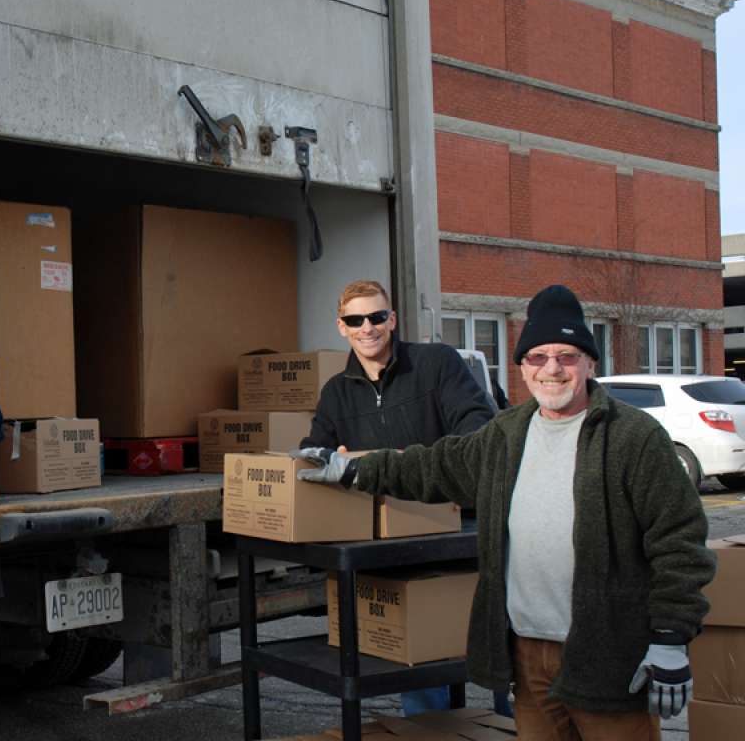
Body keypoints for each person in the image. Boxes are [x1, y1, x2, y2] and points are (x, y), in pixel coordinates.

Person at [298, 284, 715, 740]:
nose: (552, 369)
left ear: (591, 362)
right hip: (527, 657)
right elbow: (431, 466)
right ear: (521, 367)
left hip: (607, 656)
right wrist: (351, 470)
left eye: (567, 355)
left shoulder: (633, 437)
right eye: (538, 356)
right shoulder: (506, 434)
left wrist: (671, 638)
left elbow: (679, 540)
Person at [299, 279, 495, 716]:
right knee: (418, 653)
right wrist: (334, 460)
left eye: (376, 317)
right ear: (341, 327)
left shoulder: (436, 364)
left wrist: (415, 462)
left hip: (464, 527)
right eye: (355, 320)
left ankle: (510, 722)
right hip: (396, 539)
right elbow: (316, 455)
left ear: (392, 319)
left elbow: (478, 428)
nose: (367, 328)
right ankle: (431, 728)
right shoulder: (336, 392)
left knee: (496, 647)